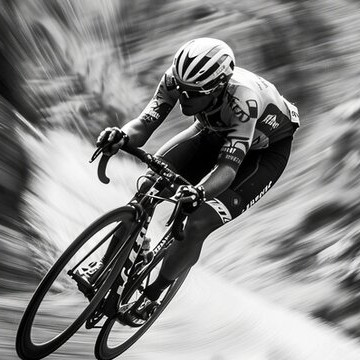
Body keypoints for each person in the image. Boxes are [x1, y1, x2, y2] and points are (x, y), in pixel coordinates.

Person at [82, 38, 300, 327]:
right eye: (180, 90)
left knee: (198, 221)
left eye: (193, 94)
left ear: (219, 87)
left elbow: (227, 167)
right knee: (150, 185)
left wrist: (199, 192)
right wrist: (120, 136)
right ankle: (111, 261)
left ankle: (153, 295)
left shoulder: (243, 102)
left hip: (262, 154)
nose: (183, 99)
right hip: (212, 128)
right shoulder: (178, 79)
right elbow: (145, 123)